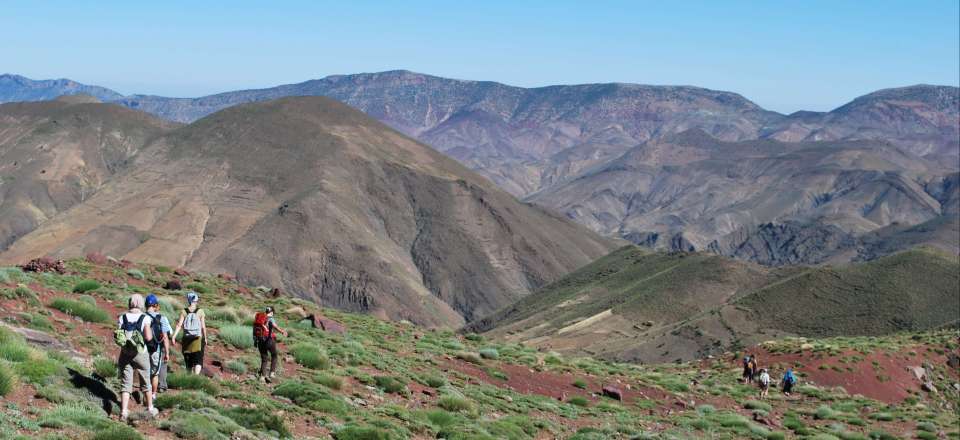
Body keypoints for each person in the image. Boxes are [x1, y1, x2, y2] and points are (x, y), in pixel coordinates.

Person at [115, 294, 158, 420]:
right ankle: (150, 408)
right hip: (141, 353)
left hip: (125, 353)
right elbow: (149, 337)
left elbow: (119, 335)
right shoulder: (145, 318)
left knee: (126, 382)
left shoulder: (122, 317)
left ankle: (123, 411)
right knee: (146, 381)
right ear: (141, 303)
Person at [171, 292, 207, 375]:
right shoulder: (200, 311)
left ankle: (189, 377)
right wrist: (205, 337)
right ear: (196, 300)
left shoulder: (184, 311)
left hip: (186, 338)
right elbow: (203, 327)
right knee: (198, 359)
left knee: (188, 359)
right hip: (197, 338)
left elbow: (179, 325)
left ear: (188, 300)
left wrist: (174, 336)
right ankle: (195, 378)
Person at [144, 294, 173, 394]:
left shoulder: (141, 317)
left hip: (143, 348)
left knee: (144, 371)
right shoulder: (162, 318)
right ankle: (153, 394)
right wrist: (167, 353)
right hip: (156, 349)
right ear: (155, 305)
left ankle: (144, 392)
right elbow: (165, 338)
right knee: (155, 373)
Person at [254, 306, 288, 383]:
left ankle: (262, 377)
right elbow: (274, 326)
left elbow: (254, 330)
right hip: (269, 340)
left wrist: (255, 341)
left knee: (264, 359)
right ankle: (272, 373)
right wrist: (282, 331)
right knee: (274, 355)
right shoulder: (271, 319)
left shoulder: (259, 318)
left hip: (260, 341)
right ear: (272, 312)